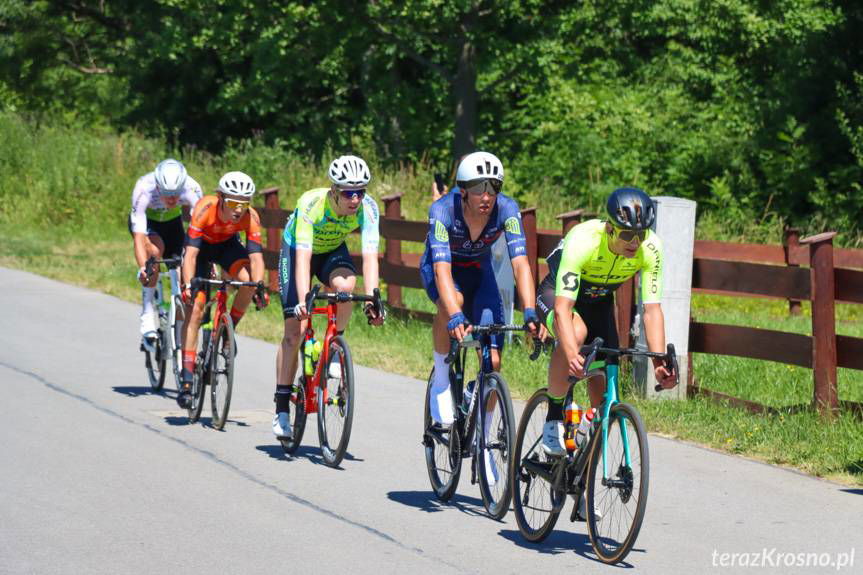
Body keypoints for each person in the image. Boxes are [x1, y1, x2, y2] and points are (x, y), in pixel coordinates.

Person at [535, 187, 677, 459]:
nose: (634, 242)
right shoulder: (583, 239)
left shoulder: (651, 247)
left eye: (641, 234)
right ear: (610, 229)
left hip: (599, 301)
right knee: (576, 333)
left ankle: (584, 460)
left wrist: (658, 362)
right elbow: (563, 309)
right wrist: (571, 353)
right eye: (627, 234)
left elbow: (652, 310)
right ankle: (553, 417)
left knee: (605, 380)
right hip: (558, 295)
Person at [421, 151, 540, 428]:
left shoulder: (507, 209)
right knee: (453, 301)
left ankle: (483, 434)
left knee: (493, 361)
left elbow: (520, 264)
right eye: (478, 189)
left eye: (493, 187)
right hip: (443, 270)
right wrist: (454, 313)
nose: (486, 196)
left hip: (479, 271)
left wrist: (530, 310)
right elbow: (441, 270)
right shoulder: (442, 210)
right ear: (463, 191)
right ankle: (441, 382)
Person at [272, 155, 385, 439]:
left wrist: (373, 298)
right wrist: (302, 301)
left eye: (360, 192)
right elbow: (303, 259)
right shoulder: (311, 204)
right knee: (294, 332)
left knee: (345, 288)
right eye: (348, 193)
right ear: (334, 190)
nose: (355, 199)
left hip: (332, 250)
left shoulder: (368, 208)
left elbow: (370, 257)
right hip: (297, 251)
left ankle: (334, 347)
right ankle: (282, 407)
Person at [177, 171, 268, 408]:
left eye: (244, 203)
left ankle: (229, 331)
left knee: (248, 282)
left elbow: (256, 258)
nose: (239, 209)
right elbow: (190, 255)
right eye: (233, 202)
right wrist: (187, 285)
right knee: (196, 310)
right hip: (201, 250)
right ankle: (187, 378)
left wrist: (259, 286)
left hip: (227, 247)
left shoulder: (251, 216)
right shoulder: (204, 208)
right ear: (220, 197)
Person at [129, 159, 202, 348]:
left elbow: (200, 230)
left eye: (176, 194)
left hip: (173, 224)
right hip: (149, 225)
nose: (172, 199)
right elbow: (139, 237)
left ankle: (180, 325)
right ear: (158, 187)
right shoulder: (144, 188)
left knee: (183, 267)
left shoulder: (192, 188)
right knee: (154, 253)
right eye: (167, 194)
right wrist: (143, 268)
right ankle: (147, 312)